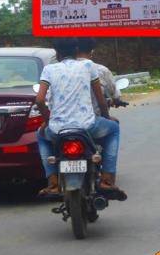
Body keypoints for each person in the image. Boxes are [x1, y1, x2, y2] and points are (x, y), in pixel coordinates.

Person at [35, 38, 124, 197]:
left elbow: (40, 100)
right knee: (114, 129)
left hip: (57, 130)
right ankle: (107, 179)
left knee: (41, 136)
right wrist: (106, 117)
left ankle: (53, 182)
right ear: (76, 50)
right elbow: (101, 99)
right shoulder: (88, 66)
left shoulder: (49, 69)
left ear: (57, 53)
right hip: (87, 126)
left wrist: (48, 122)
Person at [76, 37, 122, 114]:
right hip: (94, 117)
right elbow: (114, 93)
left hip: (65, 120)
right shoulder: (101, 70)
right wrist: (115, 99)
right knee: (114, 124)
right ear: (91, 51)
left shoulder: (60, 71)